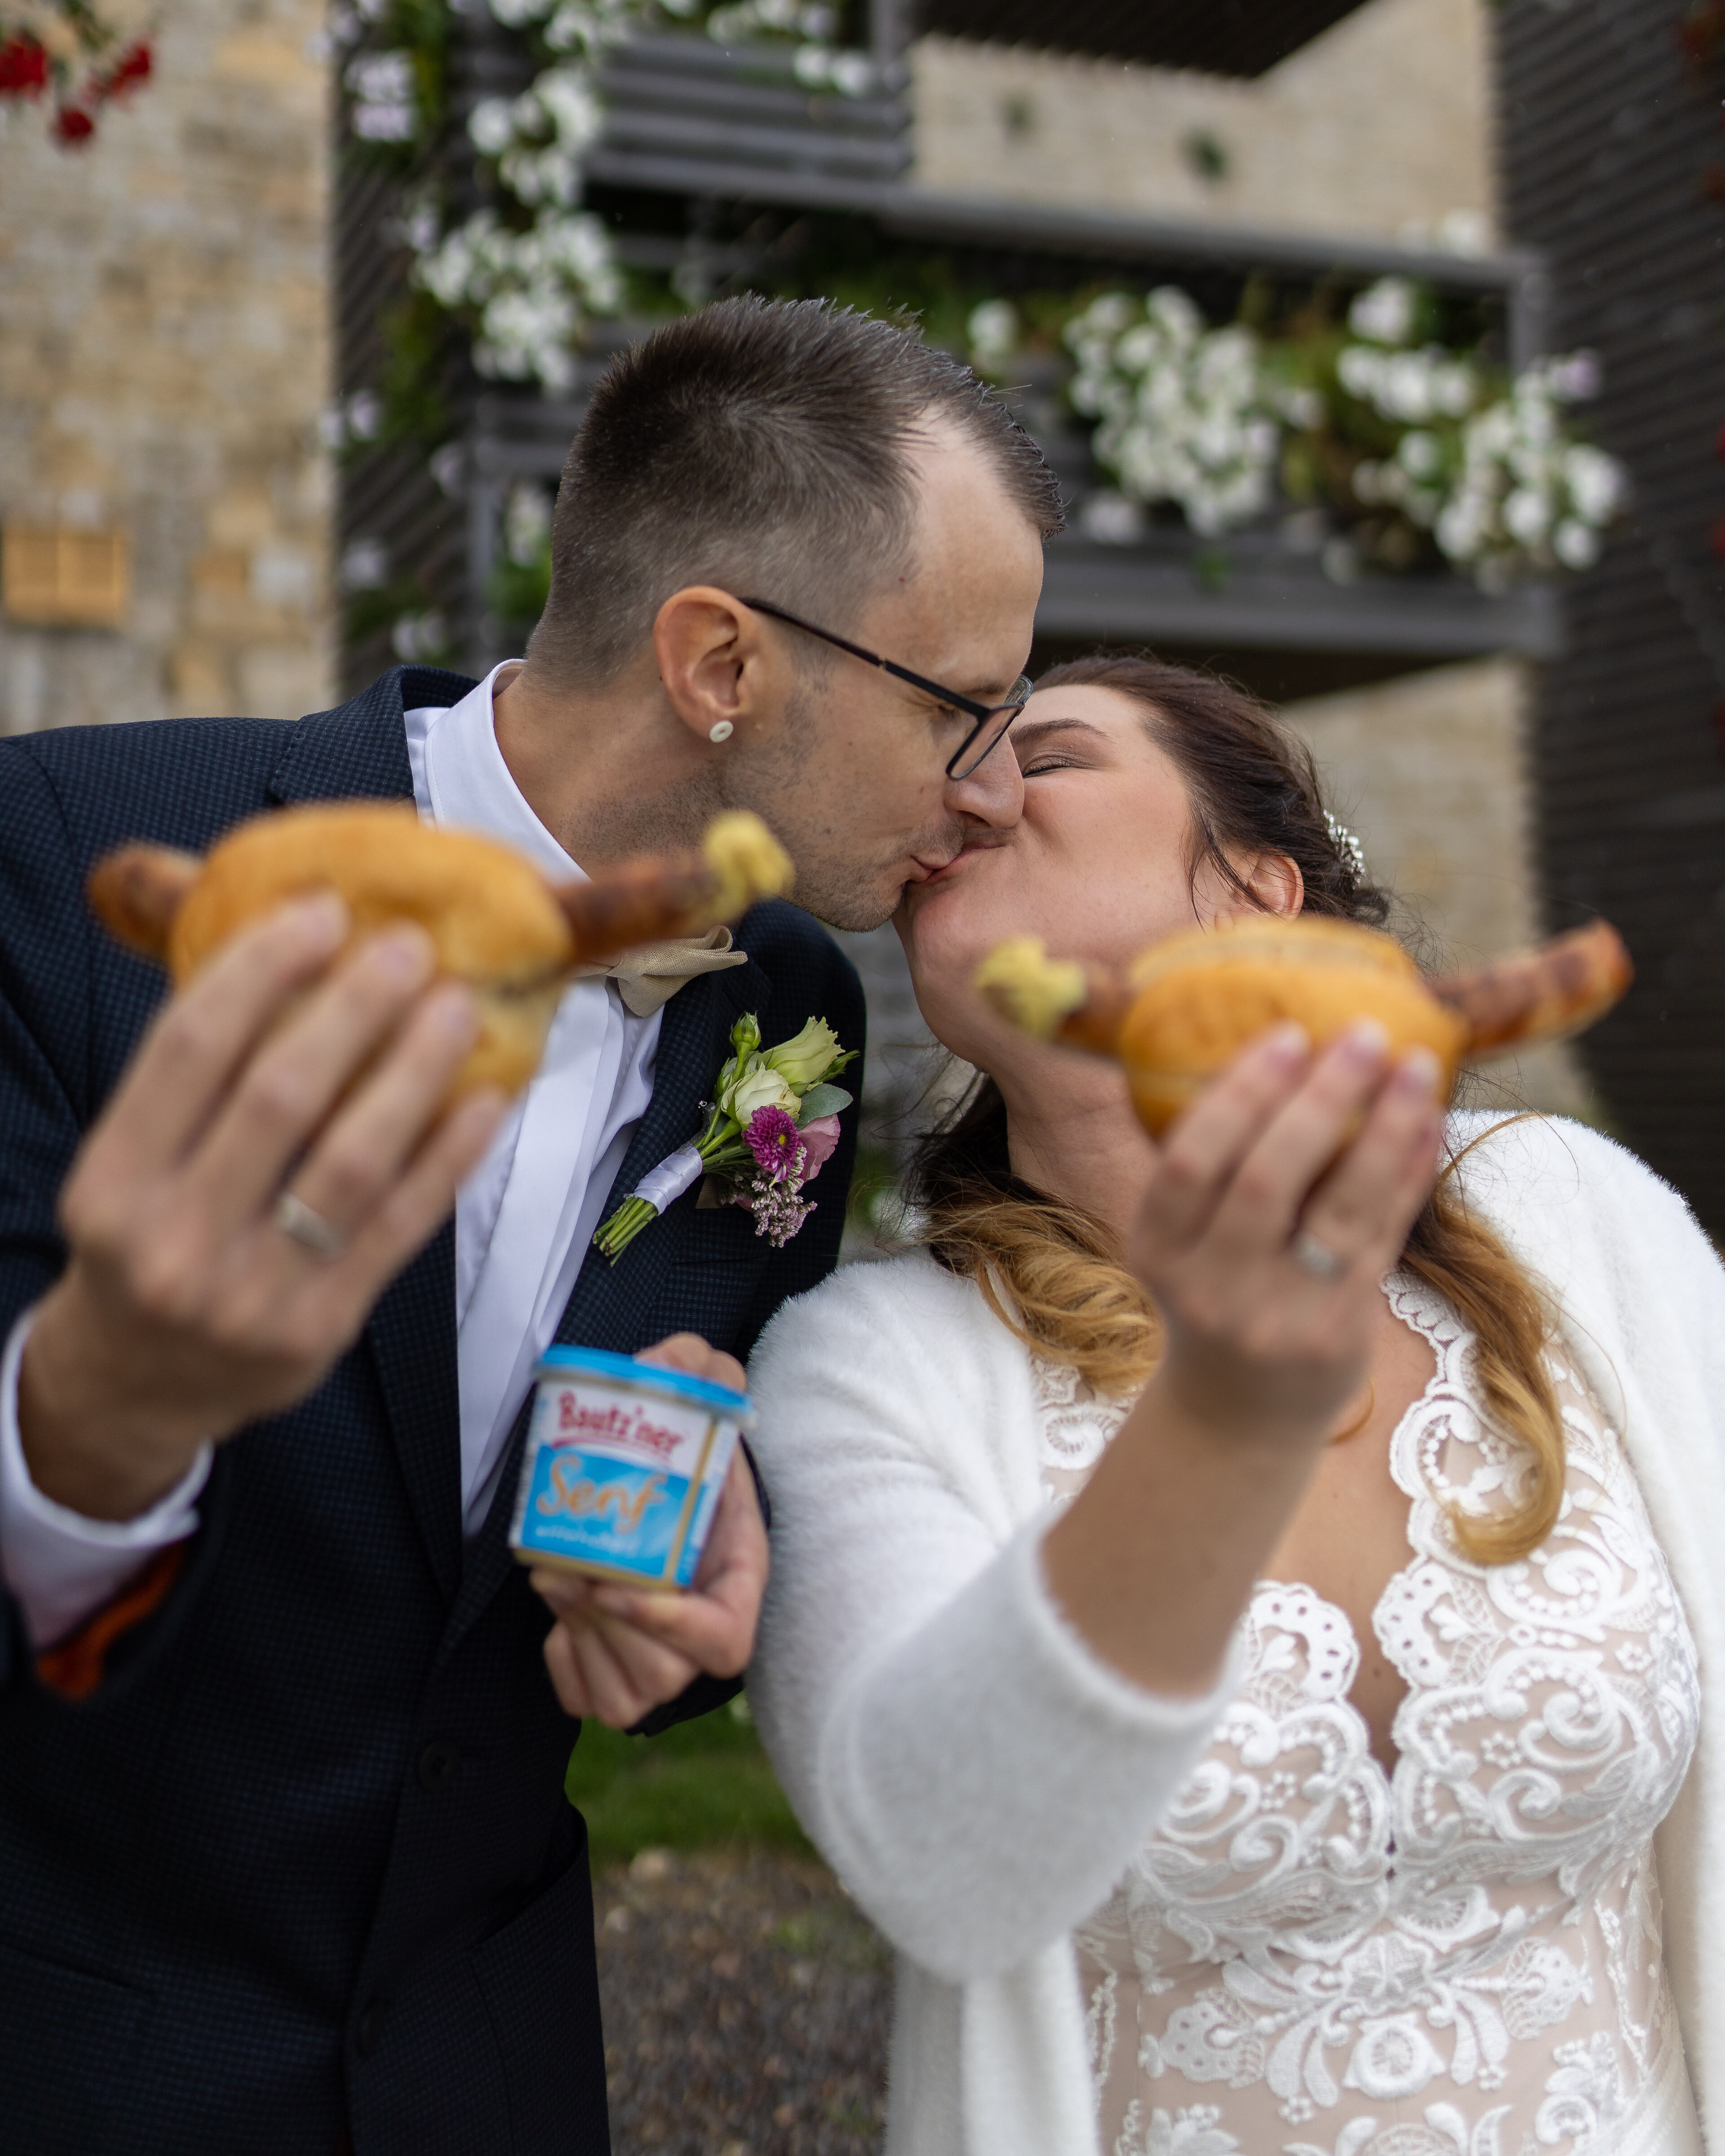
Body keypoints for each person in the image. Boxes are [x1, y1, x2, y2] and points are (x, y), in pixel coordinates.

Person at [0, 296, 1063, 2152]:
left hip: (491, 2068)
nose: (990, 793)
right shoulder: (63, 856)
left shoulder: (790, 1014)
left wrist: (681, 1629)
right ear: (722, 662)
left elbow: (647, 1500)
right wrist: (93, 1413)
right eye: (961, 709)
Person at [746, 653, 1725, 2156]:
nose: (974, 788)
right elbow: (946, 1868)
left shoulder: (1566, 1211)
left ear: (1262, 887)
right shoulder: (873, 1368)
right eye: (959, 766)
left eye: (1049, 755)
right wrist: (1230, 1412)